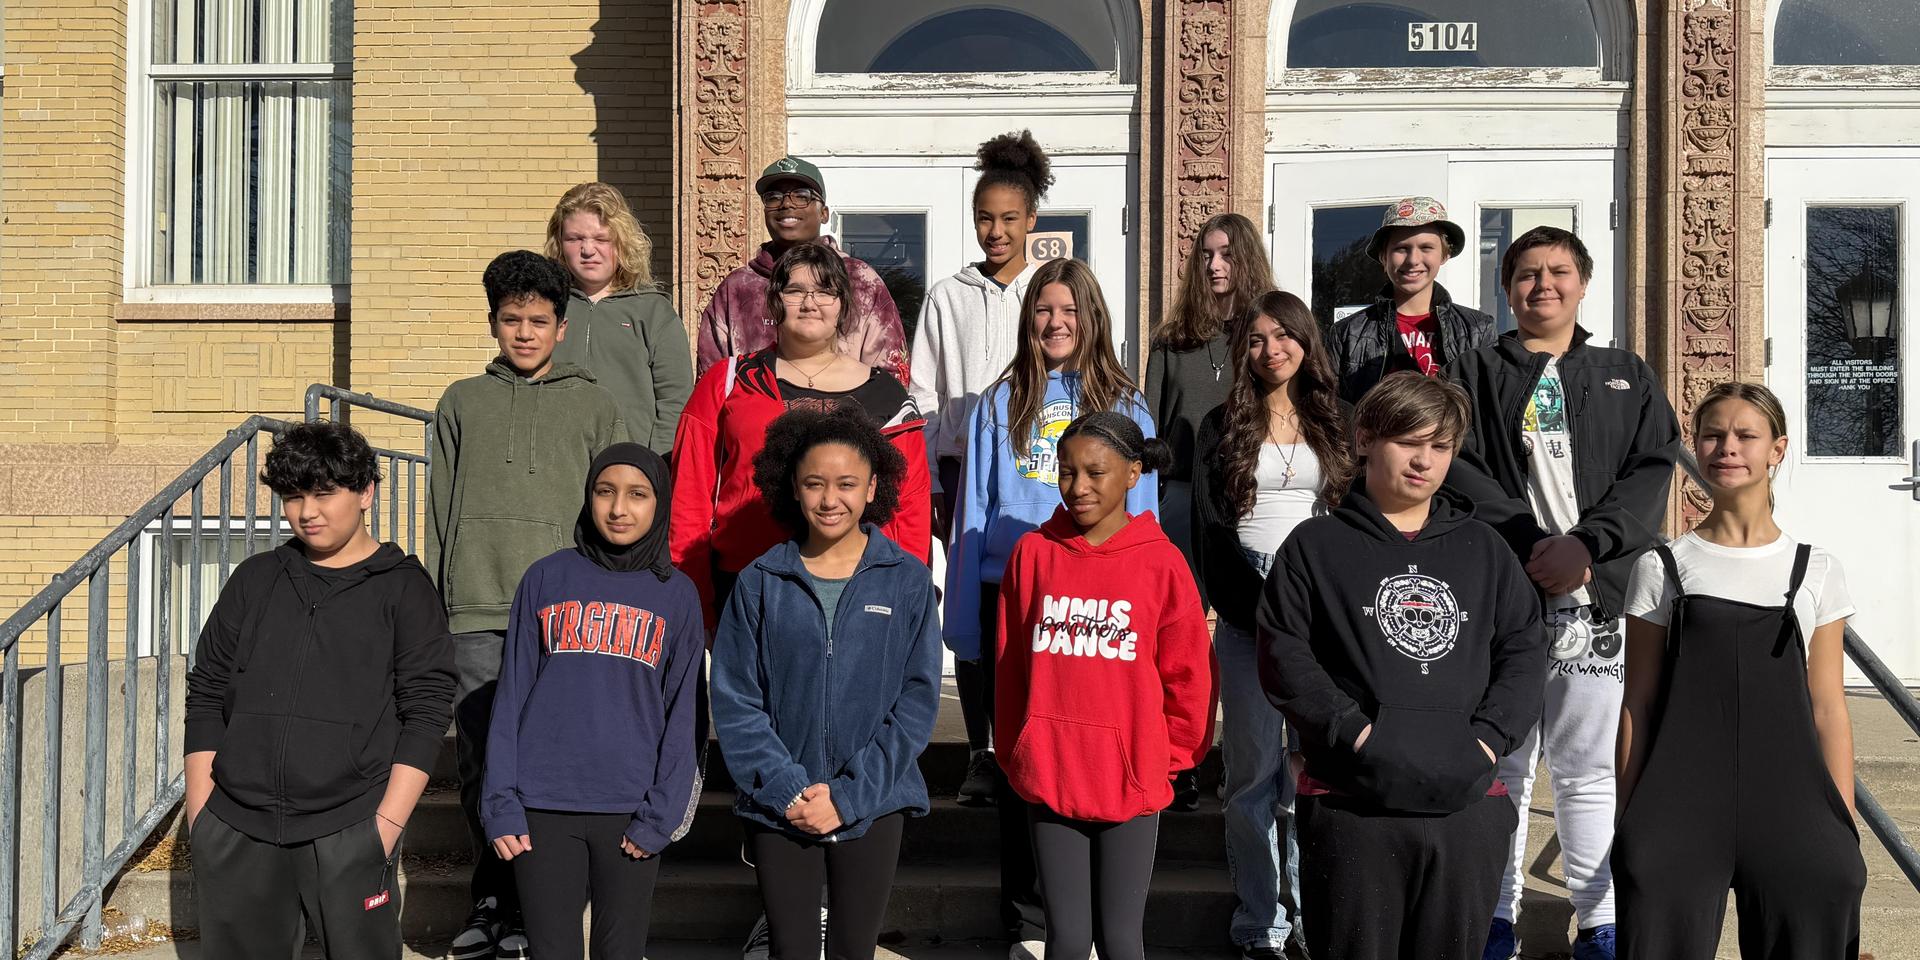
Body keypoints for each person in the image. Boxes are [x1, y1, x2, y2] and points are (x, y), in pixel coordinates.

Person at [1256, 372, 1546, 960]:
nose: (1424, 461)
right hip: (1351, 805)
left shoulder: (1486, 549)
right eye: (1408, 441)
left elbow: (1523, 649)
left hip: (1467, 806)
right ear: (1364, 437)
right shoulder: (1315, 546)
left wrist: (1488, 742)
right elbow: (1285, 655)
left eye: (1440, 447)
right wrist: (1357, 733)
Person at [1447, 227, 1680, 960]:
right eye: (1525, 274)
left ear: (1583, 283)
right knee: (1502, 766)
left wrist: (1587, 547)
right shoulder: (1475, 371)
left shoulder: (1624, 374)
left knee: (1586, 772)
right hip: (1504, 603)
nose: (1542, 285)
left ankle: (1600, 923)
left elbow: (1652, 469)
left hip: (1596, 602)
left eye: (1558, 272)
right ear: (1505, 287)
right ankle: (1494, 920)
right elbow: (1457, 466)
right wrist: (1527, 542)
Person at [945, 256, 1158, 958]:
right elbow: (974, 510)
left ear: (1091, 317)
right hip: (1015, 594)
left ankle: (1098, 925)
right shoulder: (999, 401)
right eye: (1043, 309)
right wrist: (968, 629)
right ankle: (1030, 925)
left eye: (1068, 310)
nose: (1055, 322)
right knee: (1023, 766)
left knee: (1094, 760)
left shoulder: (1127, 408)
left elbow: (1147, 521)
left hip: (1096, 607)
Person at [1613, 382, 1866, 960]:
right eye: (1712, 435)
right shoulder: (1661, 567)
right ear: (1695, 447)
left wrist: (1843, 826)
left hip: (1794, 803)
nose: (1727, 447)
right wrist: (1628, 821)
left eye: (1746, 436)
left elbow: (1828, 707)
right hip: (1677, 801)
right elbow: (1638, 703)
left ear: (1777, 450)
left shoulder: (1817, 570)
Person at [184, 421, 455, 960]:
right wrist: (202, 816)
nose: (308, 511)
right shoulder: (256, 579)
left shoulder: (404, 588)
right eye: (293, 496)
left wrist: (384, 828)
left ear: (366, 492)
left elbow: (425, 712)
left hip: (351, 826)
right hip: (238, 825)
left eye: (325, 492)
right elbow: (208, 690)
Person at [428, 250, 629, 960]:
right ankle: (491, 899)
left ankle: (533, 909)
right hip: (477, 610)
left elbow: (609, 514)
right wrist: (440, 603)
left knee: (549, 763)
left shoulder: (596, 404)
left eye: (538, 321)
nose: (523, 332)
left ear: (562, 326)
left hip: (562, 616)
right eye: (510, 319)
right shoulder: (460, 402)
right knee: (485, 763)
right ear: (492, 323)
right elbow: (439, 512)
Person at [710, 407, 943, 960]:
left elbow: (916, 701)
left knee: (852, 950)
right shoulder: (760, 581)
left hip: (875, 803)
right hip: (779, 804)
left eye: (846, 484)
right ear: (793, 486)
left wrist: (850, 795)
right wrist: (788, 788)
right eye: (814, 483)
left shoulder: (907, 581)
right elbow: (737, 700)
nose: (829, 498)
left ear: (872, 490)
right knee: (789, 949)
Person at [995, 411, 1217, 960]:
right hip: (1050, 768)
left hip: (1132, 776)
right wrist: (1016, 747)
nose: (1079, 487)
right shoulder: (1033, 555)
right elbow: (1010, 664)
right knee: (1066, 940)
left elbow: (1189, 675)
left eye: (1096, 473)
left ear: (1134, 473)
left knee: (1120, 940)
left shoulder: (1162, 563)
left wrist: (1171, 757)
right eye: (1067, 473)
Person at [481, 443, 706, 960]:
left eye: (637, 494)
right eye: (605, 492)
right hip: (542, 807)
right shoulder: (545, 578)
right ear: (588, 497)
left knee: (620, 950)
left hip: (630, 810)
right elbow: (510, 697)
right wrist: (501, 803)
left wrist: (661, 816)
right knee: (551, 950)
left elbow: (685, 719)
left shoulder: (677, 594)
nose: (619, 508)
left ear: (660, 503)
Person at [1190, 291, 1349, 960]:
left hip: (1322, 614)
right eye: (1255, 339)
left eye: (1283, 335)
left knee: (1309, 776)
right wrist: (1260, 610)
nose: (1270, 349)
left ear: (1307, 343)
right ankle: (1261, 922)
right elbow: (1209, 529)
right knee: (1253, 779)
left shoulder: (1336, 422)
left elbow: (1353, 520)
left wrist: (1325, 610)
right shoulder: (1217, 426)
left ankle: (1310, 917)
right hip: (1248, 609)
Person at [671, 242, 932, 630]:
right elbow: (689, 496)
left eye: (825, 291)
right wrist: (694, 601)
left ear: (843, 303)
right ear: (774, 302)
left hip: (857, 594)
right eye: (794, 290)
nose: (810, 303)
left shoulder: (885, 396)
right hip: (745, 586)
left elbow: (910, 507)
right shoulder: (728, 382)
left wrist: (908, 596)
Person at [907, 129, 1054, 806]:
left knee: (1036, 613)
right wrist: (937, 480)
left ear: (1032, 221)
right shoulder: (949, 295)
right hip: (970, 480)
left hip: (1041, 479)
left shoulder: (1049, 294)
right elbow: (927, 393)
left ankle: (1036, 744)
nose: (996, 231)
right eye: (985, 219)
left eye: (1009, 219)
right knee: (976, 611)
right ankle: (982, 752)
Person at [1148, 212, 1278, 811]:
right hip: (1179, 500)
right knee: (1177, 640)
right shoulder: (1174, 340)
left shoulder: (1270, 337)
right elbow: (1148, 435)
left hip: (1249, 499)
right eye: (1205, 254)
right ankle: (1180, 762)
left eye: (1227, 254)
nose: (1215, 265)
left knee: (1246, 630)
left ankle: (1254, 762)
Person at [696, 156, 910, 385]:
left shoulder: (859, 280)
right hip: (754, 417)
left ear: (824, 213)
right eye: (773, 197)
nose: (786, 204)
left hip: (846, 417)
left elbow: (890, 380)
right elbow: (711, 381)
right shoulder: (738, 288)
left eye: (801, 196)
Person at [545, 182, 695, 455]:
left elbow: (676, 401)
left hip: (629, 468)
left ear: (622, 242)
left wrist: (655, 465)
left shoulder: (654, 312)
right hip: (556, 465)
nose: (588, 250)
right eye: (575, 238)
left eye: (601, 239)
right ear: (559, 243)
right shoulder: (546, 308)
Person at [1327, 197, 1495, 405]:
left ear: (1444, 255)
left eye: (1426, 248)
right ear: (1383, 257)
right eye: (1401, 248)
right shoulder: (1347, 333)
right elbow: (1334, 413)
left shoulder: (1477, 328)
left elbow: (1488, 411)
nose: (1413, 260)